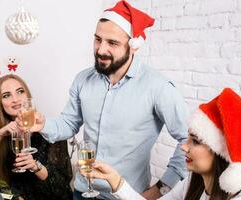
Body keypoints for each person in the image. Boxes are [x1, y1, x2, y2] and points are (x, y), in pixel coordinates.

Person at [27, 1, 189, 199]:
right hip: (82, 192)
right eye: (97, 39)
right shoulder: (83, 79)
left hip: (126, 196)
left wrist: (161, 189)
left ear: (133, 46)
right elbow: (69, 123)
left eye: (112, 43)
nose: (101, 50)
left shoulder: (158, 87)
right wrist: (43, 124)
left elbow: (187, 139)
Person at [80, 88, 241, 200]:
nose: (184, 146)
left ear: (221, 153)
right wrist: (115, 179)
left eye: (196, 141)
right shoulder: (192, 183)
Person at [0, 74, 73, 200]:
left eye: (20, 92)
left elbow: (61, 187)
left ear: (28, 96)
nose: (15, 99)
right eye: (6, 95)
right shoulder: (5, 137)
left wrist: (35, 166)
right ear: (0, 104)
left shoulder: (51, 131)